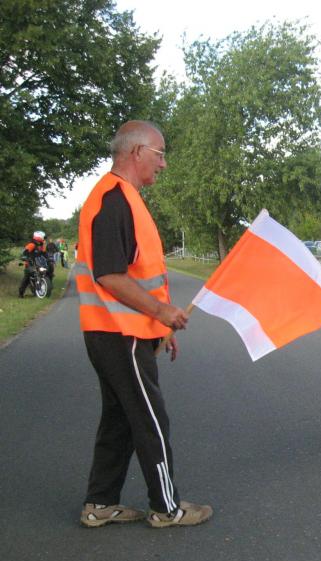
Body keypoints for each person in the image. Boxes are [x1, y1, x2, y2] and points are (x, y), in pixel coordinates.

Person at [76, 120, 211, 528]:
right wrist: (161, 312)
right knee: (151, 420)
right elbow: (110, 276)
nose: (163, 164)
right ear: (136, 152)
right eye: (160, 154)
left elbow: (138, 274)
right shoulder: (114, 199)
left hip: (121, 333)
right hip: (121, 335)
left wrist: (160, 324)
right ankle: (166, 508)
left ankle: (99, 505)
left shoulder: (125, 198)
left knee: (119, 419)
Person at [18, 231, 49, 298]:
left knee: (45, 272)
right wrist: (24, 257)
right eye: (43, 237)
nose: (44, 239)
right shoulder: (32, 244)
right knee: (26, 279)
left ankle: (41, 288)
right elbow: (24, 252)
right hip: (29, 264)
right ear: (39, 237)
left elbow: (45, 253)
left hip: (38, 264)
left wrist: (49, 258)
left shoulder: (41, 245)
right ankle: (21, 293)